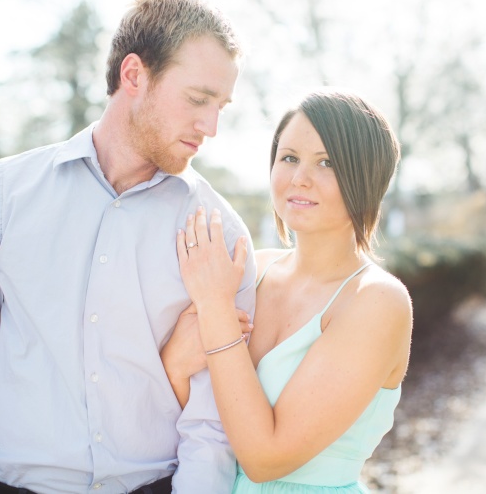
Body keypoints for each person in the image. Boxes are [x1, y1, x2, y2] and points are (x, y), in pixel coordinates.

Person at [0, 0, 256, 493]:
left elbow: (211, 427)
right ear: (134, 75)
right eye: (198, 99)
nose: (212, 127)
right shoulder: (1, 196)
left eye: (220, 107)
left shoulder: (221, 235)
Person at [164, 88, 413, 492]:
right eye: (290, 157)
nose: (300, 178)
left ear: (367, 177)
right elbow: (189, 413)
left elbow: (266, 459)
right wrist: (174, 363)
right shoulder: (248, 269)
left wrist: (215, 308)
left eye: (327, 162)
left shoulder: (377, 301)